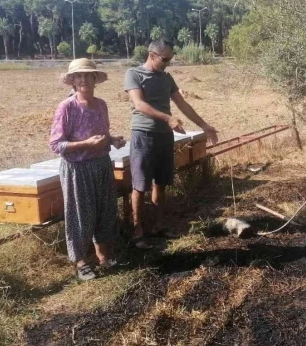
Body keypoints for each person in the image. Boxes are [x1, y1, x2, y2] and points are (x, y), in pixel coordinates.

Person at [125, 39, 218, 248]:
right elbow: (139, 104)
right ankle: (138, 231)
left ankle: (159, 226)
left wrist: (204, 125)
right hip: (144, 135)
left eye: (170, 59)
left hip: (164, 136)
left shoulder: (167, 78)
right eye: (165, 59)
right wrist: (167, 118)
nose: (167, 63)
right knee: (140, 185)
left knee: (162, 183)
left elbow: (182, 104)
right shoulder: (134, 74)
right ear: (152, 55)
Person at [50, 58, 126, 280]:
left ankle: (103, 256)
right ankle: (81, 261)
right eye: (78, 76)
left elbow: (100, 136)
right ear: (72, 81)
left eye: (88, 75)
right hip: (77, 168)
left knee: (105, 211)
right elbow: (56, 145)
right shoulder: (67, 107)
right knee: (80, 215)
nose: (83, 79)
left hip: (101, 164)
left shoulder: (101, 104)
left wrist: (112, 140)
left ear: (95, 79)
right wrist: (86, 144)